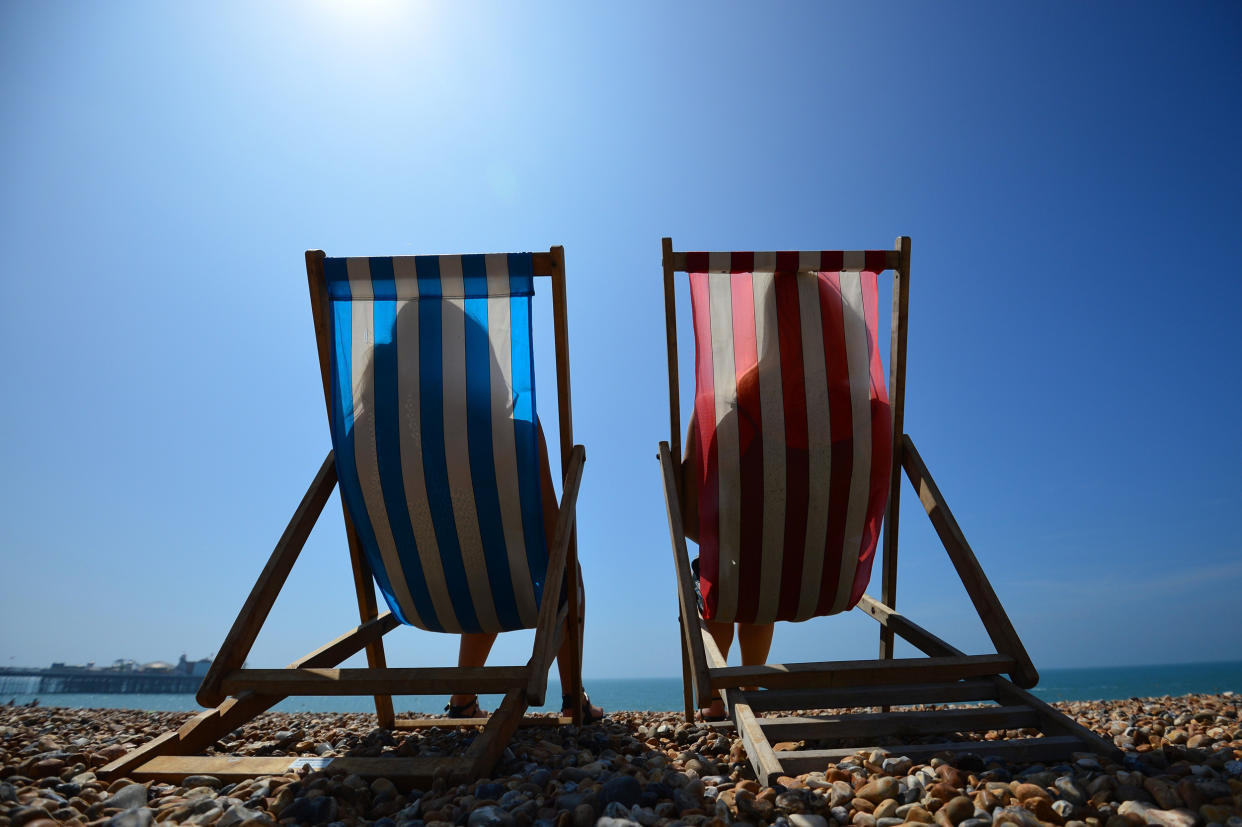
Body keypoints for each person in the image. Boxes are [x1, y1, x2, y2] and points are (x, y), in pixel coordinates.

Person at [447, 424, 603, 723]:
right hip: (486, 577)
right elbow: (551, 533)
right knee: (567, 571)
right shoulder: (509, 419)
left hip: (415, 588)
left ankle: (462, 701)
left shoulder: (367, 426)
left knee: (482, 569)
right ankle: (573, 699)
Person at [680, 371, 775, 722]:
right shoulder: (859, 406)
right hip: (818, 569)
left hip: (731, 556)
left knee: (721, 566)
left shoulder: (718, 402)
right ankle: (751, 687)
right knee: (768, 567)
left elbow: (690, 517)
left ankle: (716, 695)